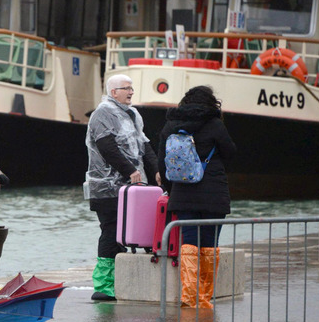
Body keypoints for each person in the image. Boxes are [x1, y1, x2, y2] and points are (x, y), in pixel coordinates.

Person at [157, 85, 236, 309]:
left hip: (183, 193)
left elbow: (163, 163)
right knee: (210, 245)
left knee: (189, 244)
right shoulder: (215, 124)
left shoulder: (170, 125)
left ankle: (189, 296)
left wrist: (172, 190)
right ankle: (204, 298)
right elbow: (230, 152)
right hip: (214, 194)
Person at [84, 74, 160, 301]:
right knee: (111, 229)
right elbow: (106, 146)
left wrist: (156, 169)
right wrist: (130, 170)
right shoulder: (102, 114)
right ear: (113, 92)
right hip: (107, 187)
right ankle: (104, 285)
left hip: (132, 186)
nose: (131, 92)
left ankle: (123, 281)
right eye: (125, 88)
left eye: (131, 88)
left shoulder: (133, 114)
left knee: (133, 230)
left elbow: (144, 144)